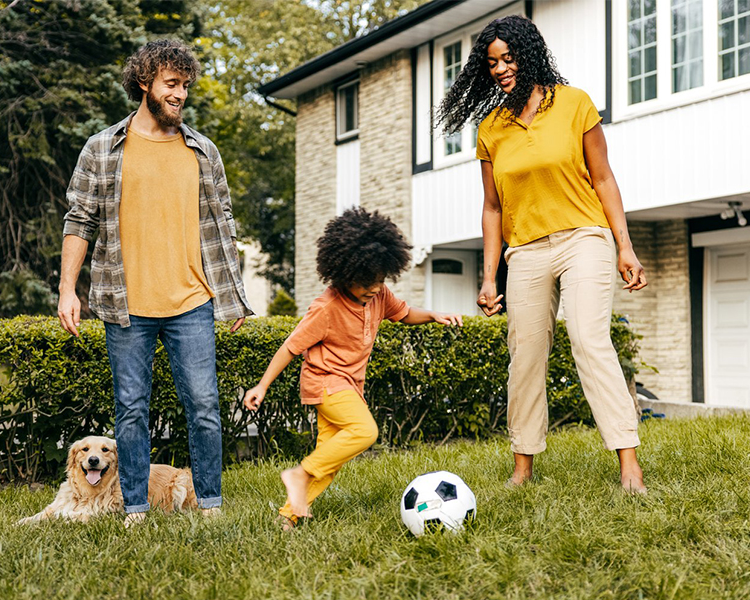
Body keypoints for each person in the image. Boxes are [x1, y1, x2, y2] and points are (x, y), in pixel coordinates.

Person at [437, 15, 648, 493]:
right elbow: (492, 208)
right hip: (527, 250)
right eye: (492, 62)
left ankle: (629, 465)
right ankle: (523, 468)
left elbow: (604, 178)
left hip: (583, 237)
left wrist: (625, 247)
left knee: (589, 339)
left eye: (509, 58)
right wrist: (489, 276)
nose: (501, 69)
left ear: (529, 54)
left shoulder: (574, 105)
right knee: (525, 353)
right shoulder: (492, 128)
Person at [58, 40, 253, 527]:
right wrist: (67, 289)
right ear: (144, 82)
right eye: (171, 84)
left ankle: (210, 505)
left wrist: (232, 298)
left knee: (205, 406)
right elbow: (79, 219)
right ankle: (136, 509)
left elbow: (223, 224)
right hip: (128, 305)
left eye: (185, 86)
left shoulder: (203, 151)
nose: (180, 94)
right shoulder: (103, 148)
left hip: (192, 302)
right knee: (130, 412)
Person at [243, 207, 463, 528]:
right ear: (345, 272)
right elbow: (290, 347)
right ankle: (298, 473)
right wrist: (261, 386)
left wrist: (434, 315)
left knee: (329, 461)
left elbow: (404, 312)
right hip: (325, 383)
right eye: (366, 282)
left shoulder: (379, 295)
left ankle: (287, 518)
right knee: (364, 431)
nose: (374, 288)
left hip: (348, 386)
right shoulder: (327, 308)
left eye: (380, 280)